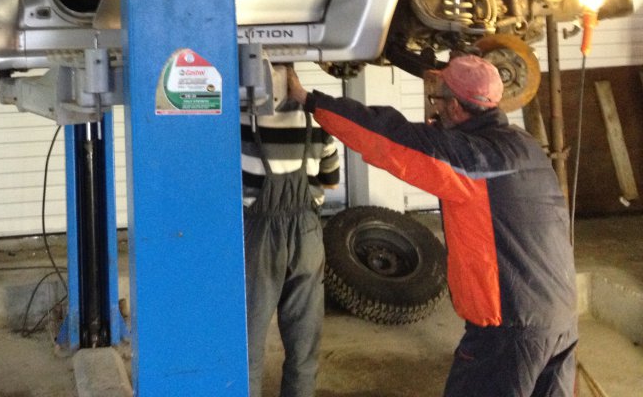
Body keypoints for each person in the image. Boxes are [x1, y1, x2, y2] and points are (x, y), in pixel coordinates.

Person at [284, 55, 578, 397]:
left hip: (509, 327)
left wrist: (310, 100)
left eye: (438, 99)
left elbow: (385, 138)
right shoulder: (523, 144)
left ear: (455, 107)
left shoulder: (468, 159)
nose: (434, 107)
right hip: (560, 317)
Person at [241, 63, 340, 397]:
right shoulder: (318, 121)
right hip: (307, 234)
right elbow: (332, 180)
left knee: (249, 339)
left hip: (259, 237)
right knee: (304, 339)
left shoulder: (240, 120)